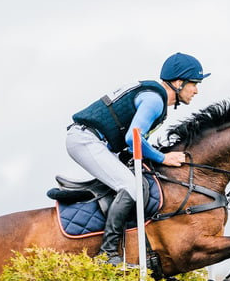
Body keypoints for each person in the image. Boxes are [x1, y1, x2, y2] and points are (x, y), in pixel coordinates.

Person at [66, 52, 210, 265]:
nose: (196, 90)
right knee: (132, 186)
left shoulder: (155, 96)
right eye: (194, 84)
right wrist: (163, 158)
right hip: (86, 140)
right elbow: (133, 139)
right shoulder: (155, 100)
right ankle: (107, 254)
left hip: (95, 141)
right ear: (179, 83)